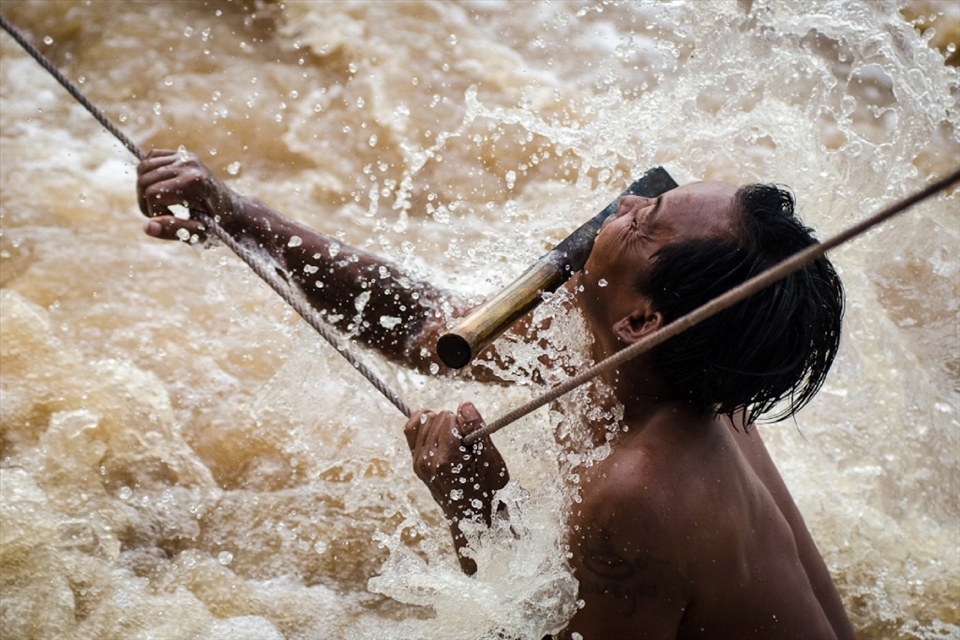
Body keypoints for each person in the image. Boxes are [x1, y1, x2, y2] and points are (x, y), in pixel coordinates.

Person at [138, 149, 856, 639]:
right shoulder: (673, 362)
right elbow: (418, 320)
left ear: (642, 319)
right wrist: (238, 217)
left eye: (641, 223)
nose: (624, 203)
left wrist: (478, 514)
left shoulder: (641, 493)